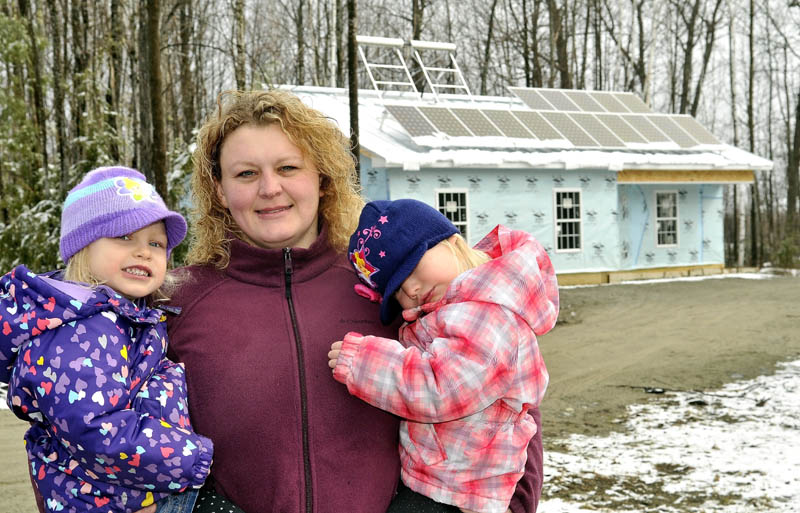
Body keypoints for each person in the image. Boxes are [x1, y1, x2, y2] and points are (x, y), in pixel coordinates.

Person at [166, 88, 545, 513]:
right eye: (246, 174)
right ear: (219, 189)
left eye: (288, 167)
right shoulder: (177, 302)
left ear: (322, 179)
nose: (270, 188)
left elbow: (505, 408)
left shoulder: (391, 288)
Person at [0, 167, 213, 513]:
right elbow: (97, 430)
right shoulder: (78, 330)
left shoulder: (126, 316)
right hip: (113, 501)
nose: (144, 252)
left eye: (156, 243)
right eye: (124, 237)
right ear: (83, 246)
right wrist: (194, 457)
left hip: (138, 490)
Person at [327, 199, 558, 513]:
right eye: (395, 290)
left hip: (462, 489)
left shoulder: (489, 314)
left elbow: (441, 388)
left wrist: (364, 362)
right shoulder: (460, 305)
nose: (410, 289)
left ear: (451, 242)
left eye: (410, 267)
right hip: (447, 477)